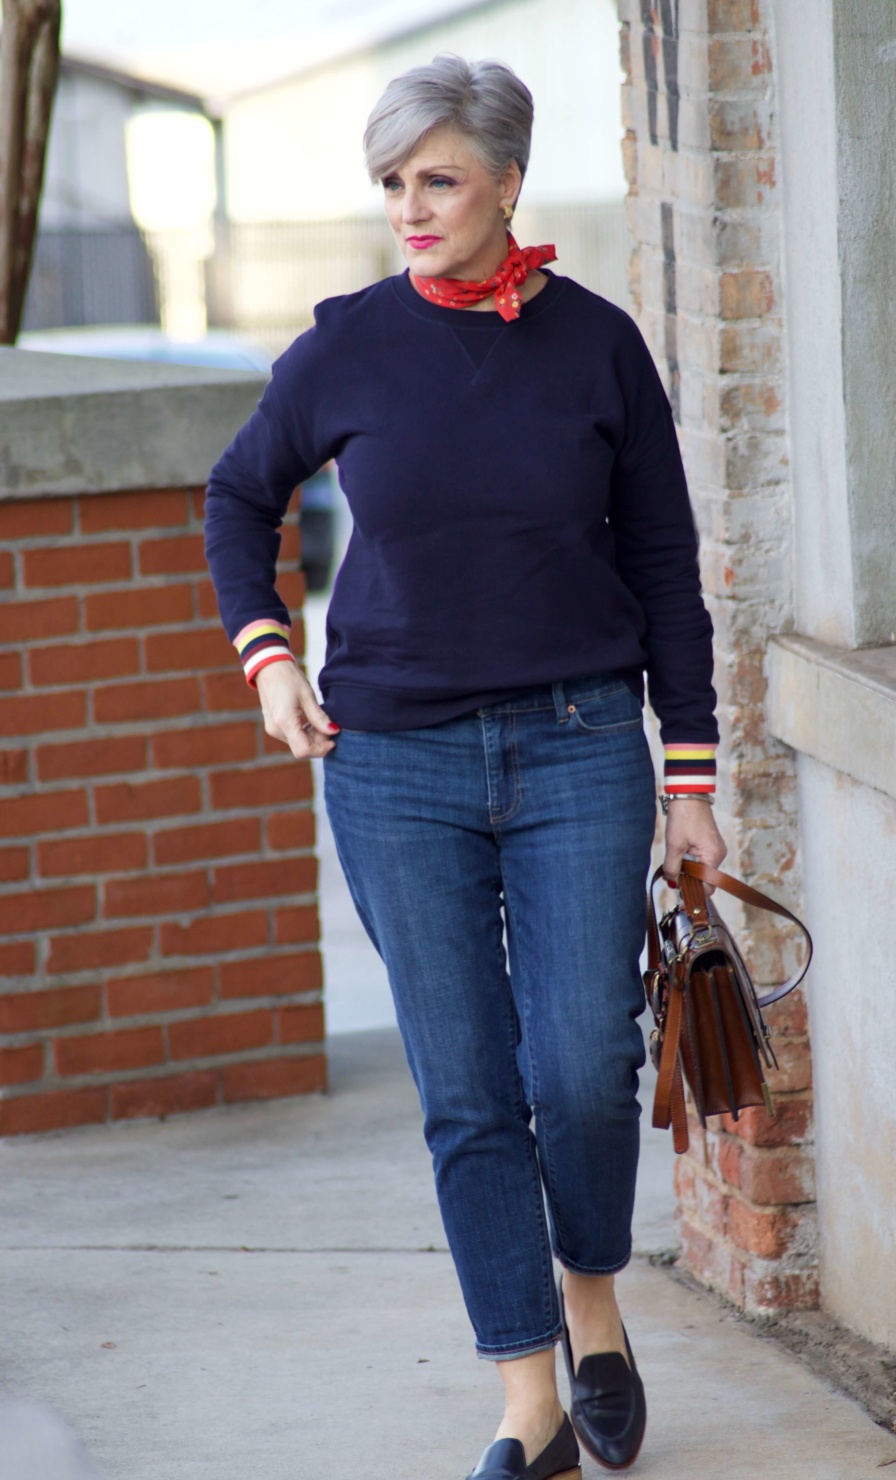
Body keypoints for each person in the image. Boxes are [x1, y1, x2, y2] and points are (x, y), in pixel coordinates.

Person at [205, 53, 726, 1480]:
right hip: (394, 764)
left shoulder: (600, 346)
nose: (411, 207)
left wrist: (690, 776)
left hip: (575, 747)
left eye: (438, 178)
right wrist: (269, 655)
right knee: (468, 1089)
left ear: (507, 179)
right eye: (392, 183)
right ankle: (528, 1401)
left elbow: (667, 571)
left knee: (583, 1065)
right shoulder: (345, 348)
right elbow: (241, 489)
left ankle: (593, 1306)